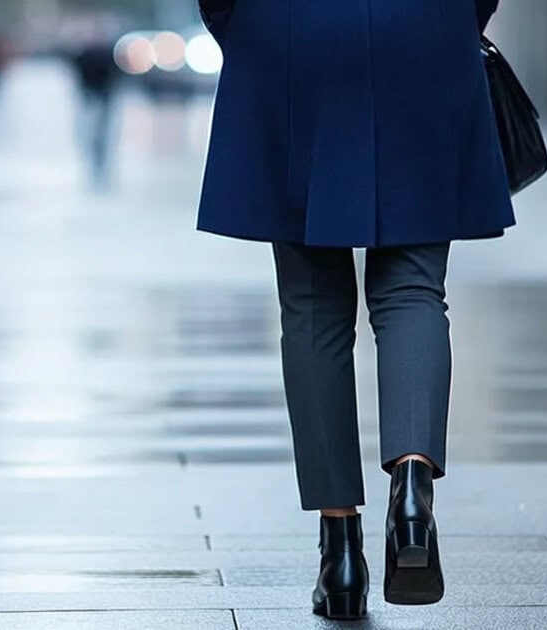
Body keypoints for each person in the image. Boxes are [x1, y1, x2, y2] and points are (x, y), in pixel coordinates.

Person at [197, 0, 513, 620]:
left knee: (313, 305)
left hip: (287, 31)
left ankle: (340, 558)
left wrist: (244, 26)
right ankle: (414, 493)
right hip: (422, 32)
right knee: (415, 287)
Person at [71, 31, 120, 190]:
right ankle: (96, 158)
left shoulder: (102, 55)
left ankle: (99, 158)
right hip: (95, 98)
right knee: (94, 132)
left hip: (99, 99)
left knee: (98, 132)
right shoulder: (95, 55)